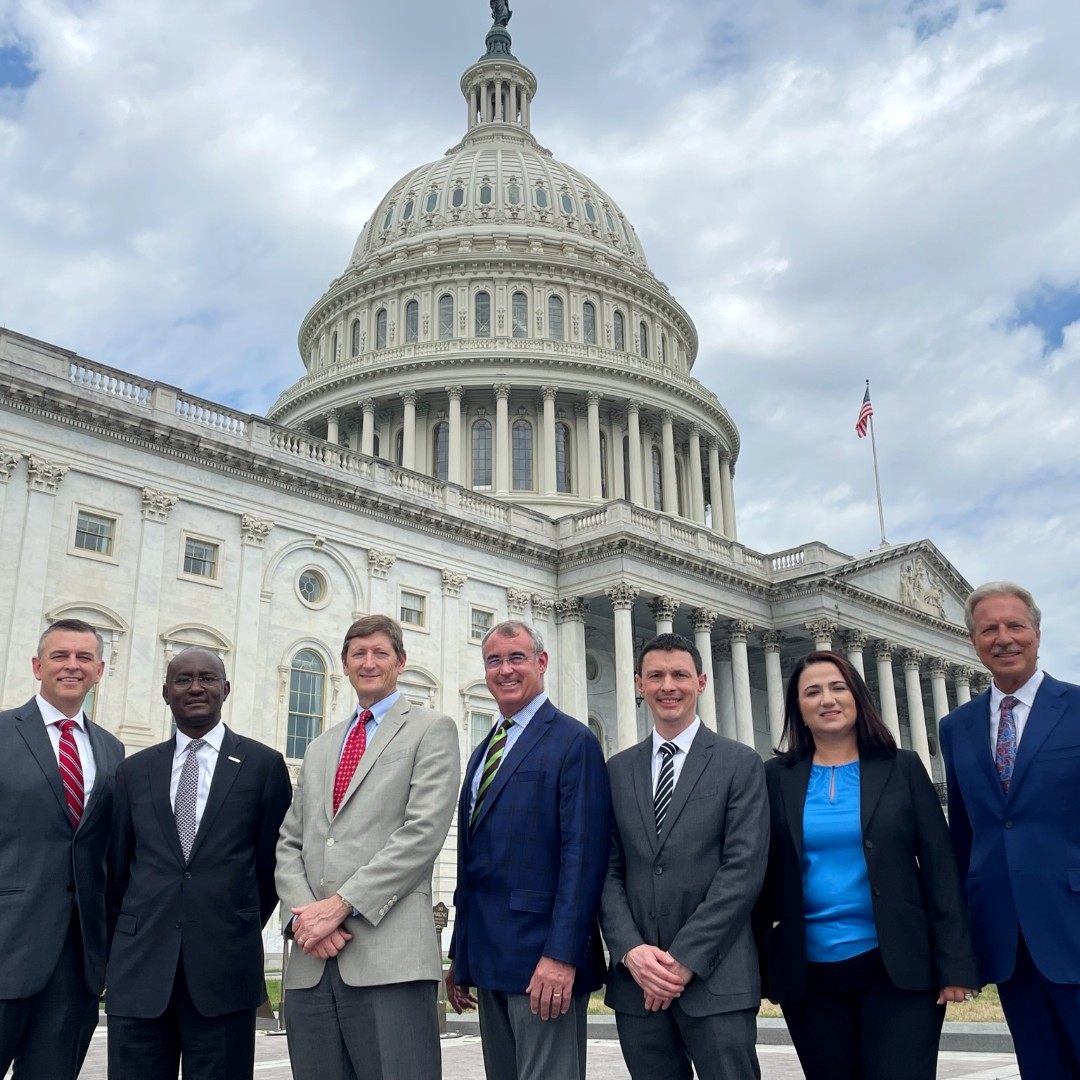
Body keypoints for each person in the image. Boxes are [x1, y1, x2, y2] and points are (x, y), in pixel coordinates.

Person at [755, 650, 979, 1080]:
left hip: (898, 968)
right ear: (798, 707)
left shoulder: (902, 768)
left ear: (857, 696)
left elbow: (940, 869)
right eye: (812, 692)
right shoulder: (775, 777)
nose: (827, 700)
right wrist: (766, 971)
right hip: (811, 976)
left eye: (838, 687)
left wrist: (955, 966)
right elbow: (761, 874)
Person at [276, 615, 460, 1080]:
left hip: (389, 960)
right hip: (312, 962)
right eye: (359, 654)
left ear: (401, 661)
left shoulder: (431, 729)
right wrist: (306, 917)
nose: (369, 662)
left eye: (380, 653)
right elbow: (289, 842)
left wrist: (339, 907)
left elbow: (421, 835)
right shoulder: (320, 747)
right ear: (344, 665)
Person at [105, 647, 292, 1080]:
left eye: (207, 678)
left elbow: (271, 865)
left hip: (223, 967)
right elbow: (117, 868)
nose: (194, 687)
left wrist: (232, 918)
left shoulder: (262, 767)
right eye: (182, 679)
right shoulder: (133, 772)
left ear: (225, 689)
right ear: (165, 693)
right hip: (141, 969)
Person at [445, 620, 610, 1080]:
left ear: (541, 662)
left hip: (543, 962)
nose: (505, 670)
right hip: (489, 955)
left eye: (516, 657)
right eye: (494, 661)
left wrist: (561, 956)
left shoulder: (573, 741)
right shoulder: (484, 750)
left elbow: (583, 857)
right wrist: (461, 954)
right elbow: (473, 859)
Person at [600, 632, 768, 1080]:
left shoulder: (740, 763)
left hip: (717, 980)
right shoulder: (617, 770)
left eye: (679, 675)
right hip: (636, 985)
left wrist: (684, 960)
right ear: (639, 684)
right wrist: (631, 951)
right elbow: (607, 870)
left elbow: (744, 870)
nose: (667, 685)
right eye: (655, 676)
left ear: (702, 682)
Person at [940, 582, 1080, 1078]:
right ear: (974, 642)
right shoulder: (956, 726)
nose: (1004, 638)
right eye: (989, 629)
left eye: (1015, 626)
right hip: (1007, 937)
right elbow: (963, 835)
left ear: (1037, 634)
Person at [0, 619, 124, 1080]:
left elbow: (109, 854)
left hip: (76, 964)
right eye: (59, 656)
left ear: (99, 671)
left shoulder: (112, 751)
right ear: (37, 666)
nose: (72, 666)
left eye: (83, 658)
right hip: (6, 945)